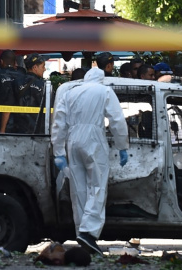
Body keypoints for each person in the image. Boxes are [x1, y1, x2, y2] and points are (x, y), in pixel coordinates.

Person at [51, 68, 129, 255]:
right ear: (101, 79)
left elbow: (59, 122)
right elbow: (116, 120)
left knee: (78, 189)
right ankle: (89, 232)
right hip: (94, 138)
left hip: (73, 140)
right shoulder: (104, 91)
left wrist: (58, 152)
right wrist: (122, 145)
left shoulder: (70, 93)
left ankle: (82, 235)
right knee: (97, 185)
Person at [14, 52, 49, 134]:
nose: (45, 69)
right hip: (39, 131)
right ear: (35, 67)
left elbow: (8, 105)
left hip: (18, 130)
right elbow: (51, 108)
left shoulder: (16, 82)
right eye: (43, 66)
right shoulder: (44, 85)